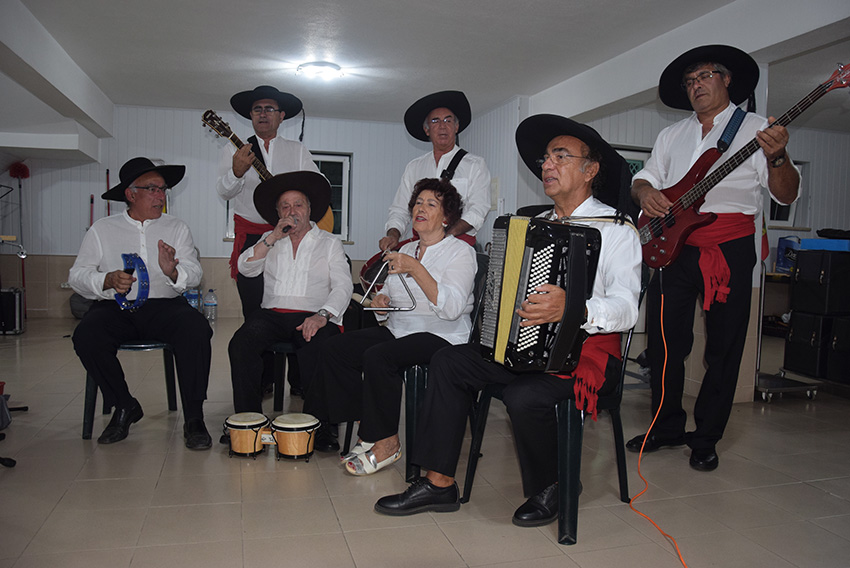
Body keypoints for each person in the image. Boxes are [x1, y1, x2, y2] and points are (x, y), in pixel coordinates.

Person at [374, 115, 641, 527]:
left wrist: (575, 308)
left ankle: (551, 485)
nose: (547, 165)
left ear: (591, 170)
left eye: (560, 156)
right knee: (449, 361)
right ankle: (439, 483)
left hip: (582, 354)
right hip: (519, 346)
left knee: (524, 396)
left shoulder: (618, 230)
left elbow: (626, 307)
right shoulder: (533, 226)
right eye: (545, 158)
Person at [627, 45, 800, 472]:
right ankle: (666, 427)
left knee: (724, 346)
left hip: (729, 248)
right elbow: (646, 177)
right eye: (689, 81)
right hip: (675, 248)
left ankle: (706, 438)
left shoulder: (759, 129)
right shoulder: (673, 135)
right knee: (668, 344)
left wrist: (777, 155)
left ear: (725, 80)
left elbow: (786, 193)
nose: (695, 86)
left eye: (704, 76)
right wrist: (645, 192)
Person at [304, 177, 476, 471]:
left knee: (379, 356)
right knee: (334, 349)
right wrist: (381, 303)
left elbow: (451, 308)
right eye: (418, 203)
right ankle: (367, 423)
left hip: (441, 334)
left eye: (431, 204)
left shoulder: (460, 252)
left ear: (446, 217)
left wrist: (416, 269)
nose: (420, 208)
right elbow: (395, 299)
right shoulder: (407, 250)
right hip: (399, 329)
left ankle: (387, 442)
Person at [70, 157, 213, 450]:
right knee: (87, 335)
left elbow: (195, 273)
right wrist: (106, 280)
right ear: (130, 194)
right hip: (116, 307)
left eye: (163, 190)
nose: (160, 196)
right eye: (152, 189)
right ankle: (124, 405)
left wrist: (173, 270)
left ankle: (195, 418)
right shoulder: (102, 229)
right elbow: (77, 276)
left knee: (196, 329)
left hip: (165, 306)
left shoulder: (177, 228)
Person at [228, 171, 353, 416]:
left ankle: (322, 425)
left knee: (319, 345)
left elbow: (343, 286)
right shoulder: (269, 239)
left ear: (309, 209)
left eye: (298, 204)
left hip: (312, 314)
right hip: (271, 315)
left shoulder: (329, 243)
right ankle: (247, 420)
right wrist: (274, 237)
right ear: (278, 213)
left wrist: (322, 315)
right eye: (285, 206)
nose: (292, 211)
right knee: (240, 344)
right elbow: (245, 268)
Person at [215, 85, 323, 319]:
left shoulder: (297, 151)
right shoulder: (234, 148)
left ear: (281, 116)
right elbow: (224, 192)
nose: (263, 114)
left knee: (291, 305)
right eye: (257, 109)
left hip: (290, 236)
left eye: (269, 109)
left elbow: (319, 185)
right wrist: (236, 172)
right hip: (252, 237)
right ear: (250, 116)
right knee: (254, 308)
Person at [379, 90, 491, 251]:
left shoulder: (475, 165)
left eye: (448, 120)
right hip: (421, 249)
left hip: (458, 247)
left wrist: (446, 235)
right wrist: (393, 234)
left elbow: (478, 209)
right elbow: (400, 209)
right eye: (435, 121)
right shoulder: (414, 167)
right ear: (427, 130)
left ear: (456, 126)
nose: (442, 126)